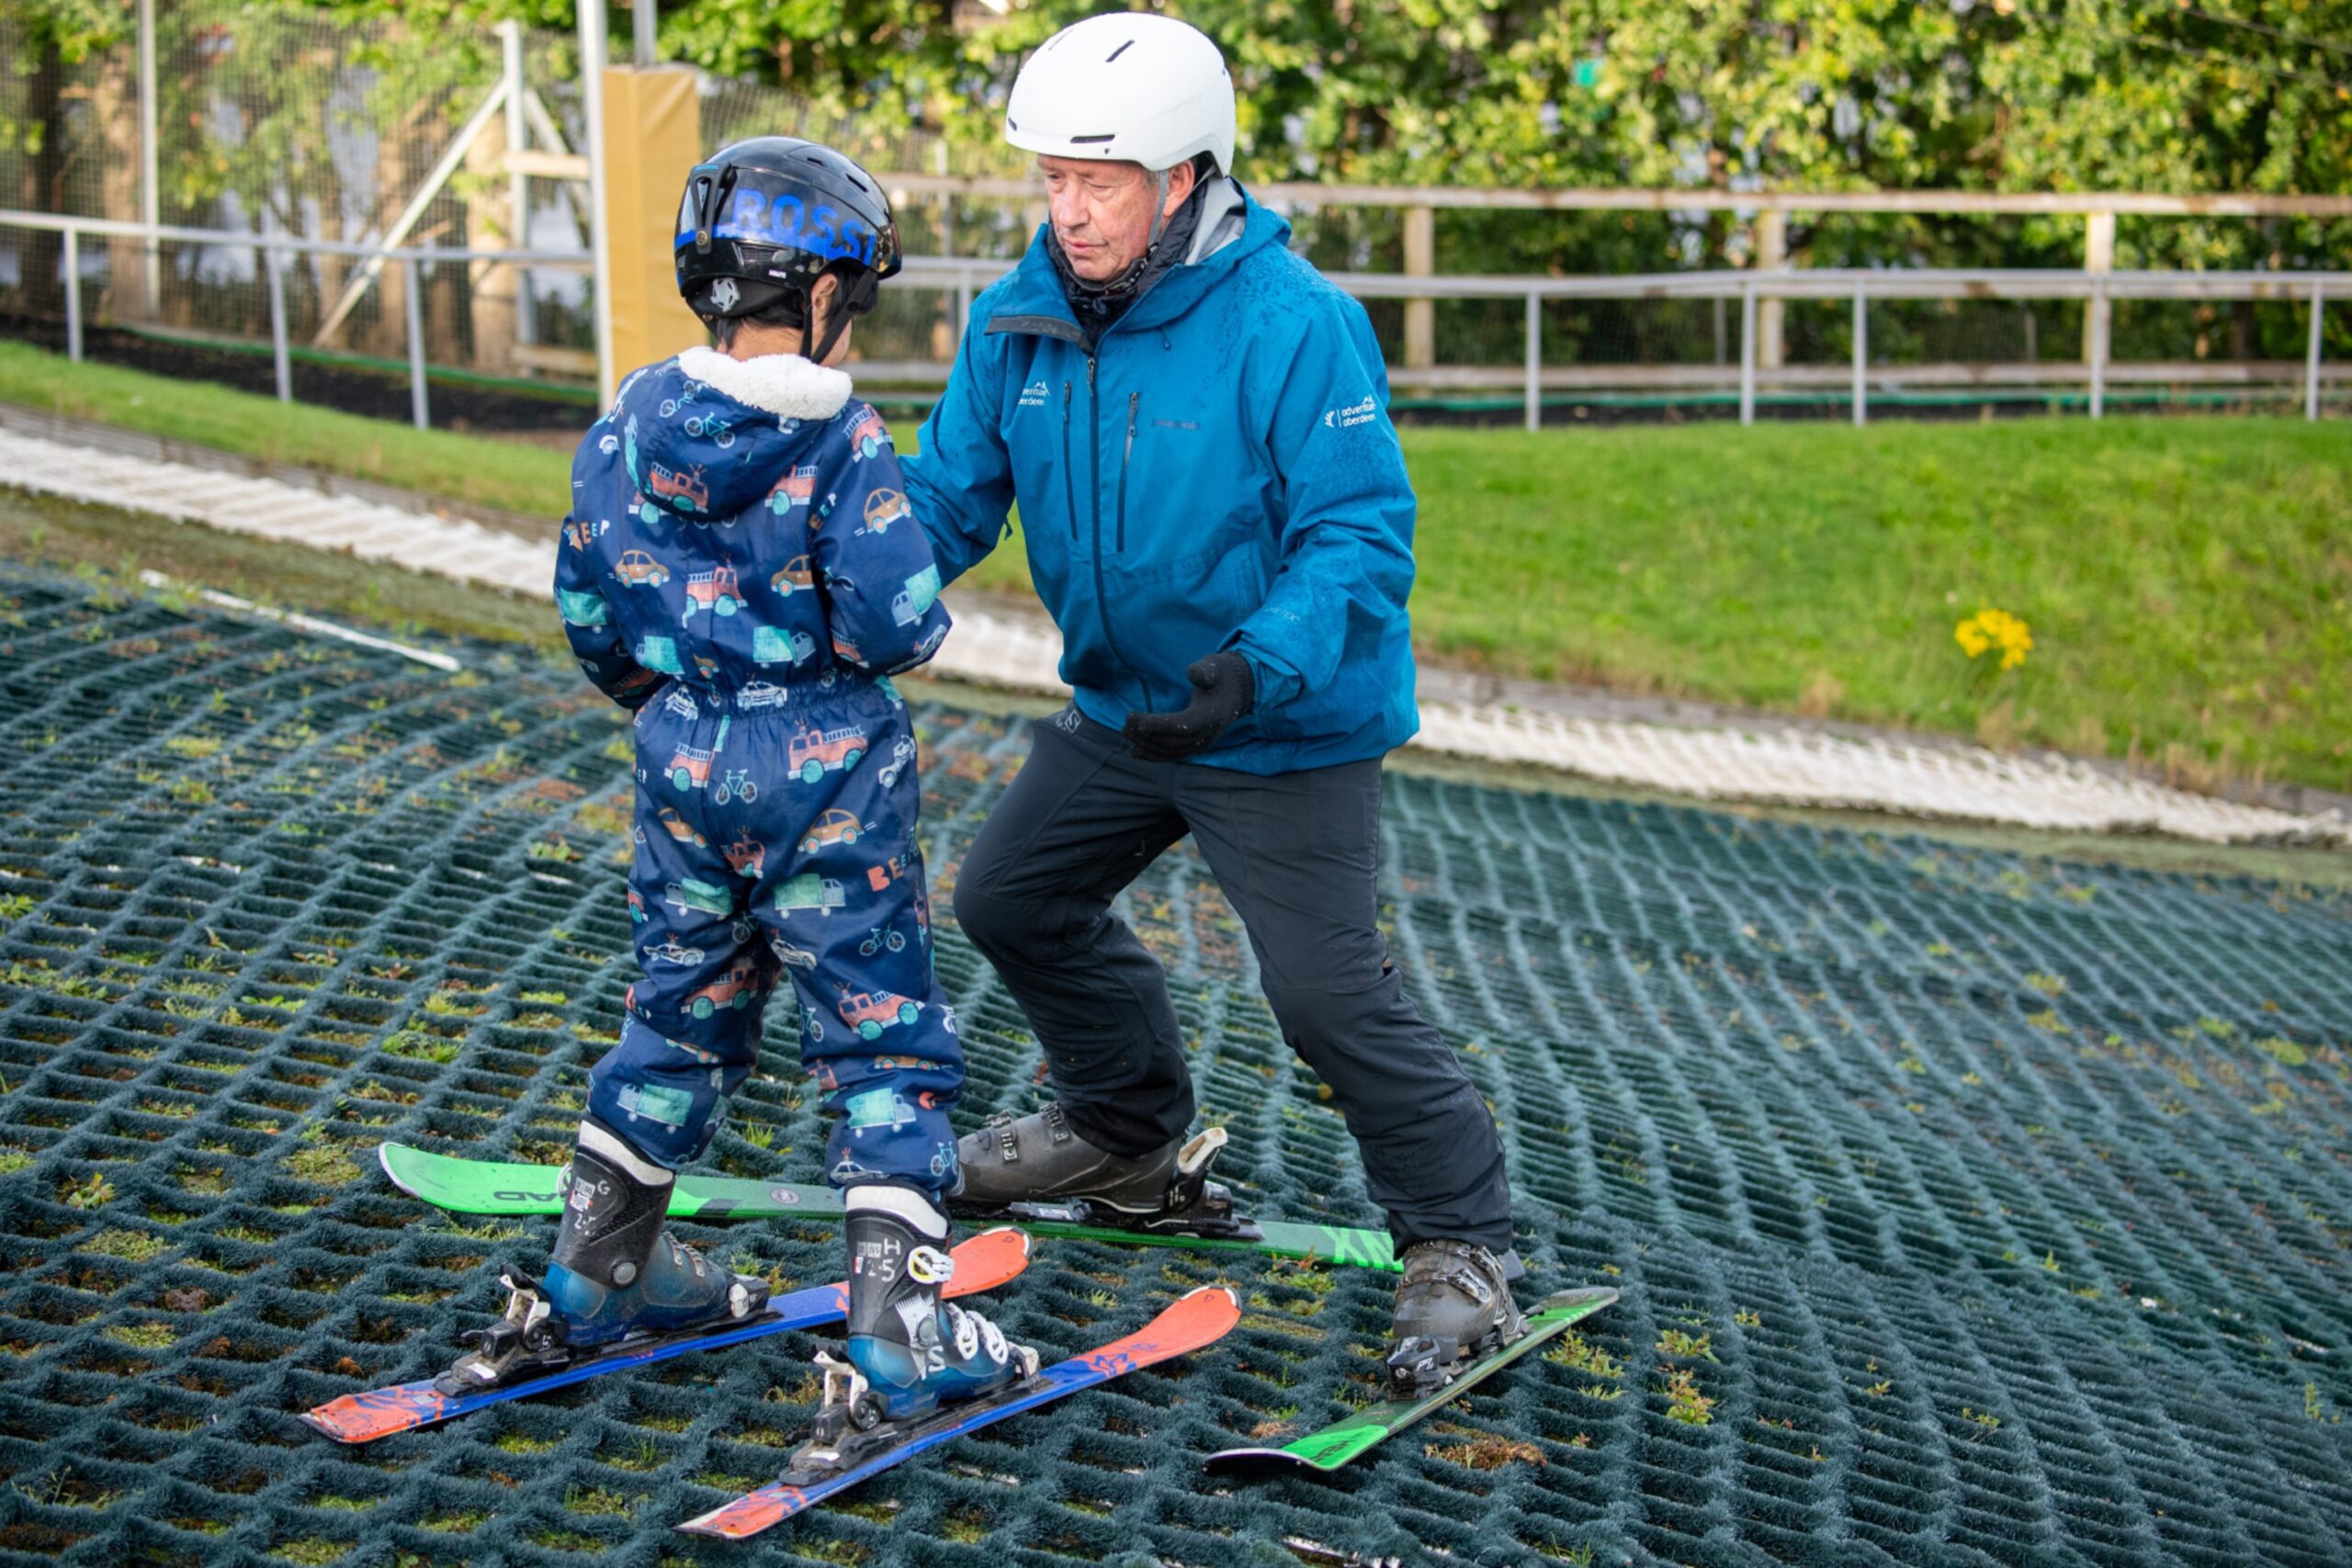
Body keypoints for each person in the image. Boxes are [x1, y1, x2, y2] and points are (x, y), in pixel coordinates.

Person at [901, 13, 1523, 1389]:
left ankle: (1466, 1245)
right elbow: (949, 496)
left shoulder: (1295, 323)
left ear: (1183, 180)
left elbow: (1361, 535)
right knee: (1010, 897)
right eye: (1054, 179)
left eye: (1098, 183)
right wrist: (849, 589)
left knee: (1321, 993)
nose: (1069, 211)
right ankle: (1125, 1131)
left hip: (1280, 721)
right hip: (1127, 710)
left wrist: (1257, 663)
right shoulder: (1021, 316)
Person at [522, 136, 1029, 1419]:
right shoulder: (844, 438)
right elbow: (900, 620)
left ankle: (597, 1262)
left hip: (679, 759)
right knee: (879, 1038)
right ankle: (907, 1325)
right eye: (849, 303)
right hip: (829, 779)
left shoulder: (625, 421)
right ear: (816, 296)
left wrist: (682, 705)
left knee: (677, 1009)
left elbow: (588, 611)